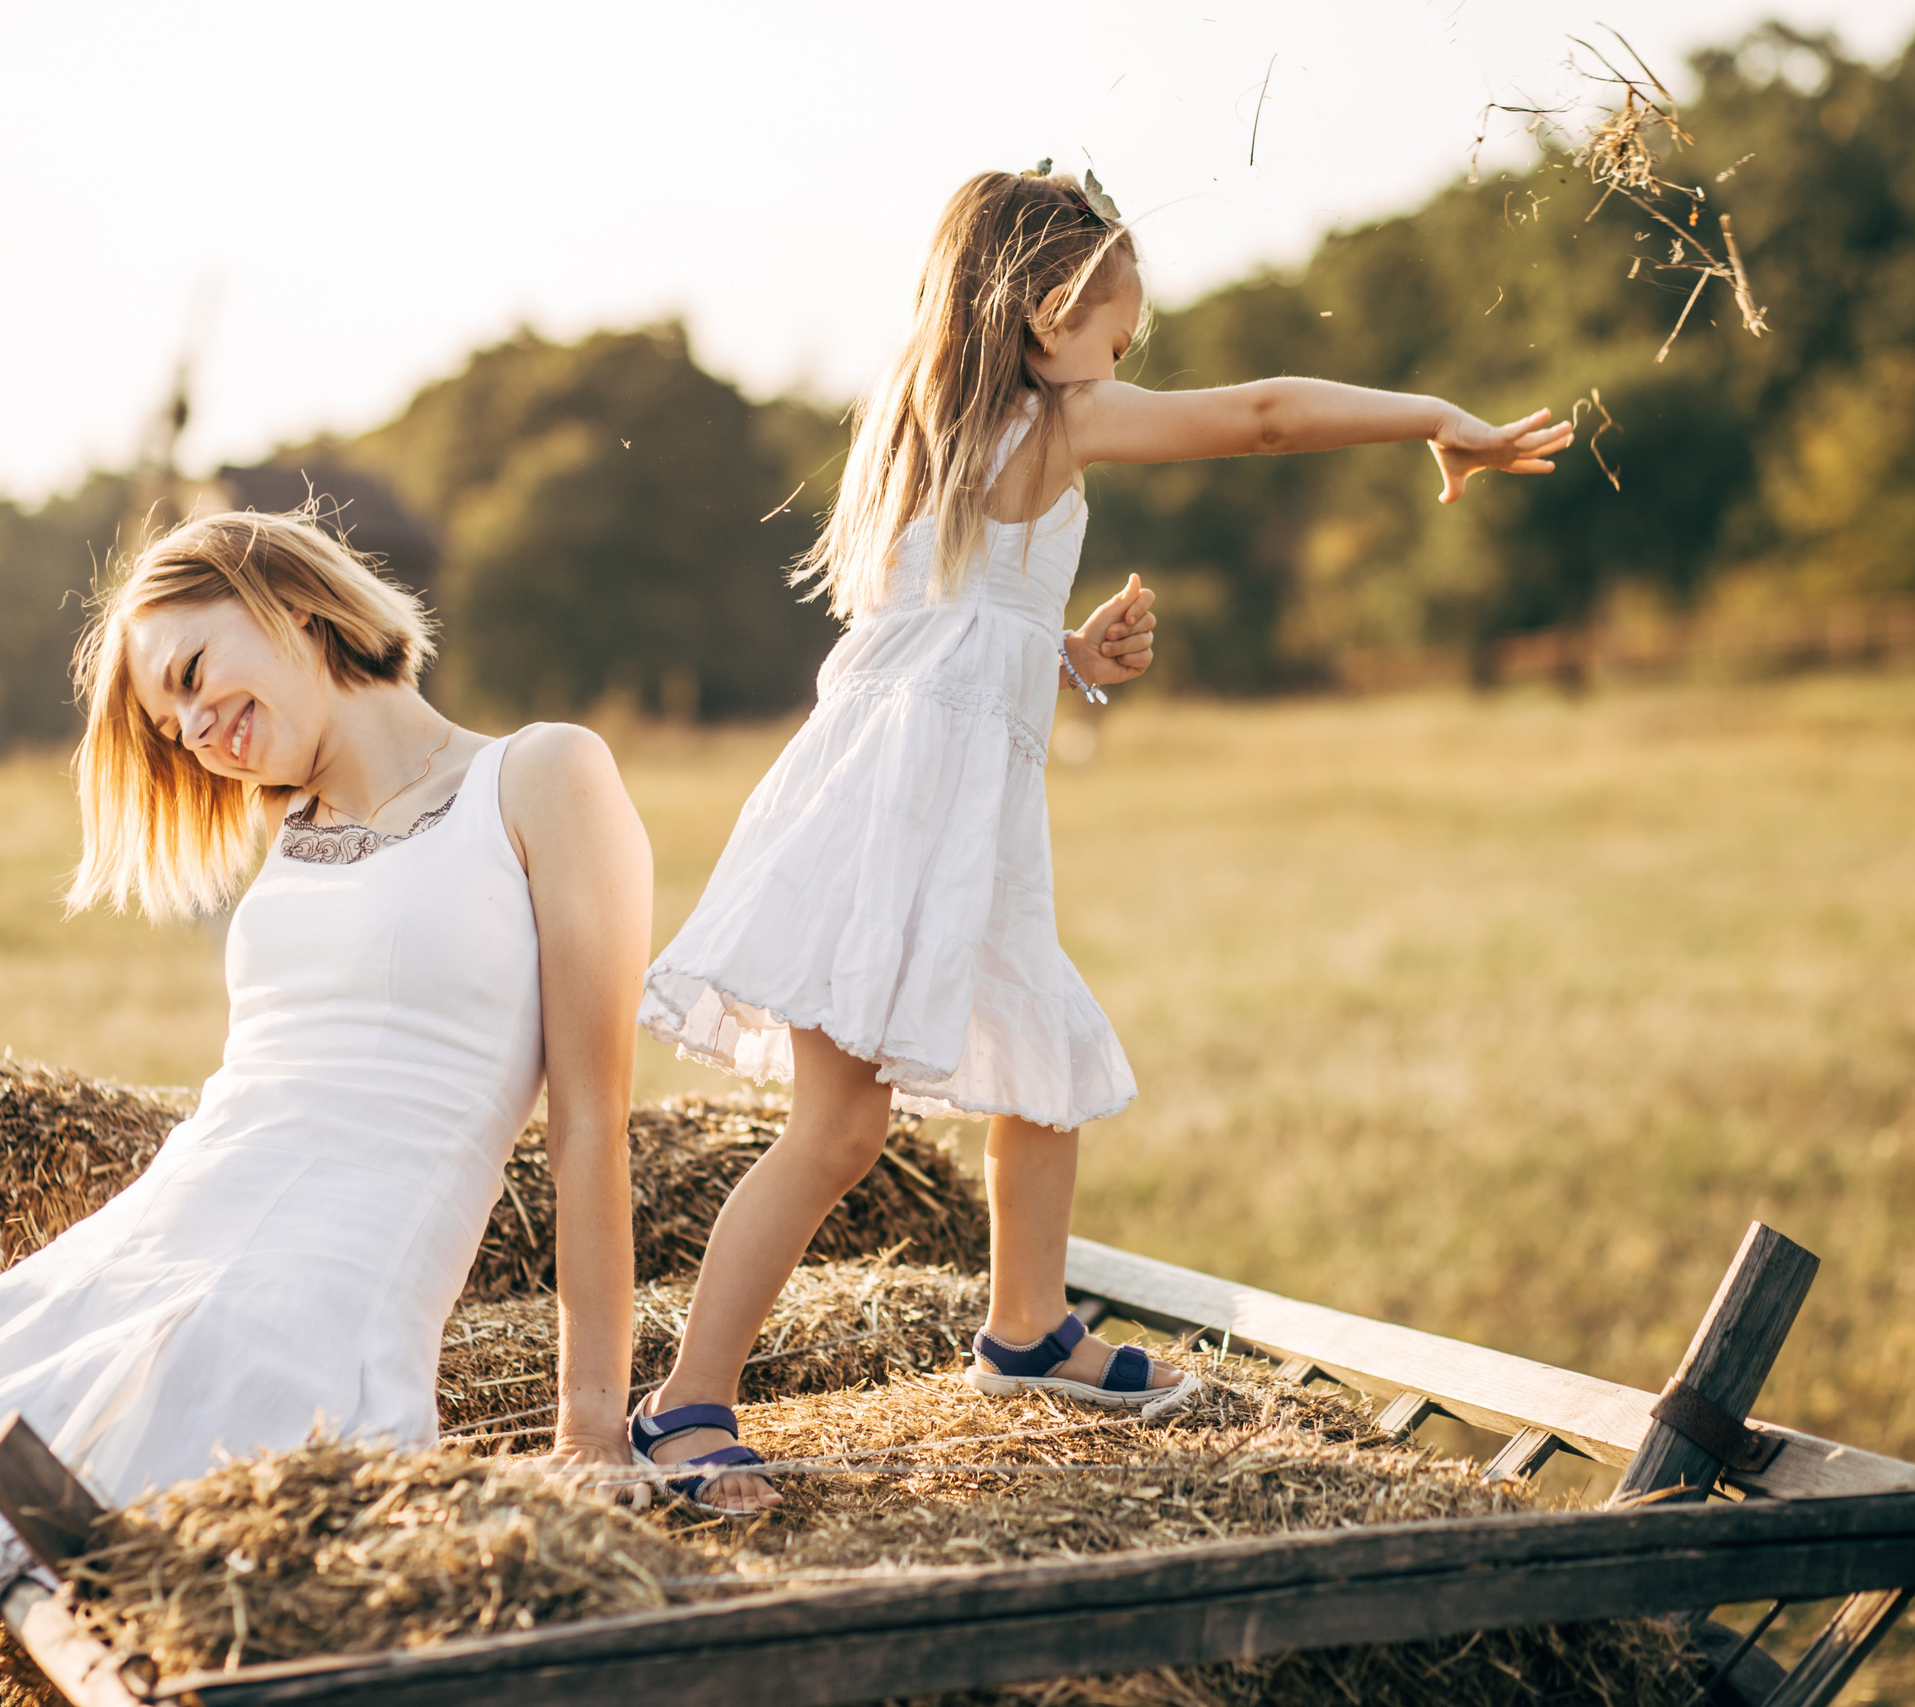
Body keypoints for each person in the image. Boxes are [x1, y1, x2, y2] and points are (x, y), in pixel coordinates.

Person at [0, 509, 653, 1707]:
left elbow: (587, 1124)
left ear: (287, 602)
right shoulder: (295, 844)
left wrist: (592, 1430)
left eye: (195, 678)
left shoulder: (544, 774)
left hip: (293, 1313)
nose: (200, 733)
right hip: (134, 1257)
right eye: (173, 726)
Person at [633, 166, 1573, 1511]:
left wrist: (1065, 651)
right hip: (900, 818)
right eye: (1118, 339)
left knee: (1046, 1063)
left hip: (936, 805)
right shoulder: (1053, 419)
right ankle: (684, 1404)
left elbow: (948, 624)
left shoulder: (935, 421)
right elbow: (1260, 416)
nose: (1125, 366)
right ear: (1044, 315)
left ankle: (1027, 1329)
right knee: (840, 1127)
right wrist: (1433, 415)